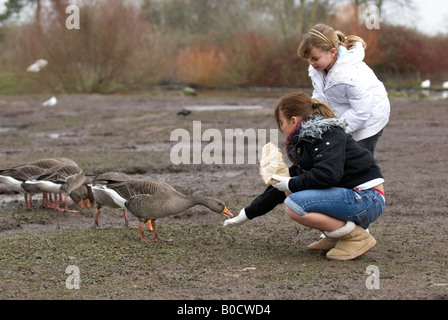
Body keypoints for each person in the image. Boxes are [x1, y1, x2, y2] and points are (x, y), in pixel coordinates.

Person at [224, 92, 386, 261]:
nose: (281, 129)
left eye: (281, 123)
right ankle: (336, 236)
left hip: (368, 199)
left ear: (293, 120)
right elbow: (287, 182)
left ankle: (356, 237)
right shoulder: (309, 139)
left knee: (295, 203)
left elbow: (328, 176)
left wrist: (290, 184)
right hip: (354, 196)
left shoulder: (327, 134)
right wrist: (247, 213)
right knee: (291, 191)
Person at [297, 23, 390, 156]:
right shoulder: (318, 69)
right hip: (349, 113)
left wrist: (335, 128)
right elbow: (321, 93)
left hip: (371, 116)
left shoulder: (349, 75)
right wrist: (313, 111)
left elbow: (362, 111)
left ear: (332, 52)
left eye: (315, 58)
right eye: (308, 59)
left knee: (359, 158)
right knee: (339, 155)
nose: (311, 63)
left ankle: (368, 175)